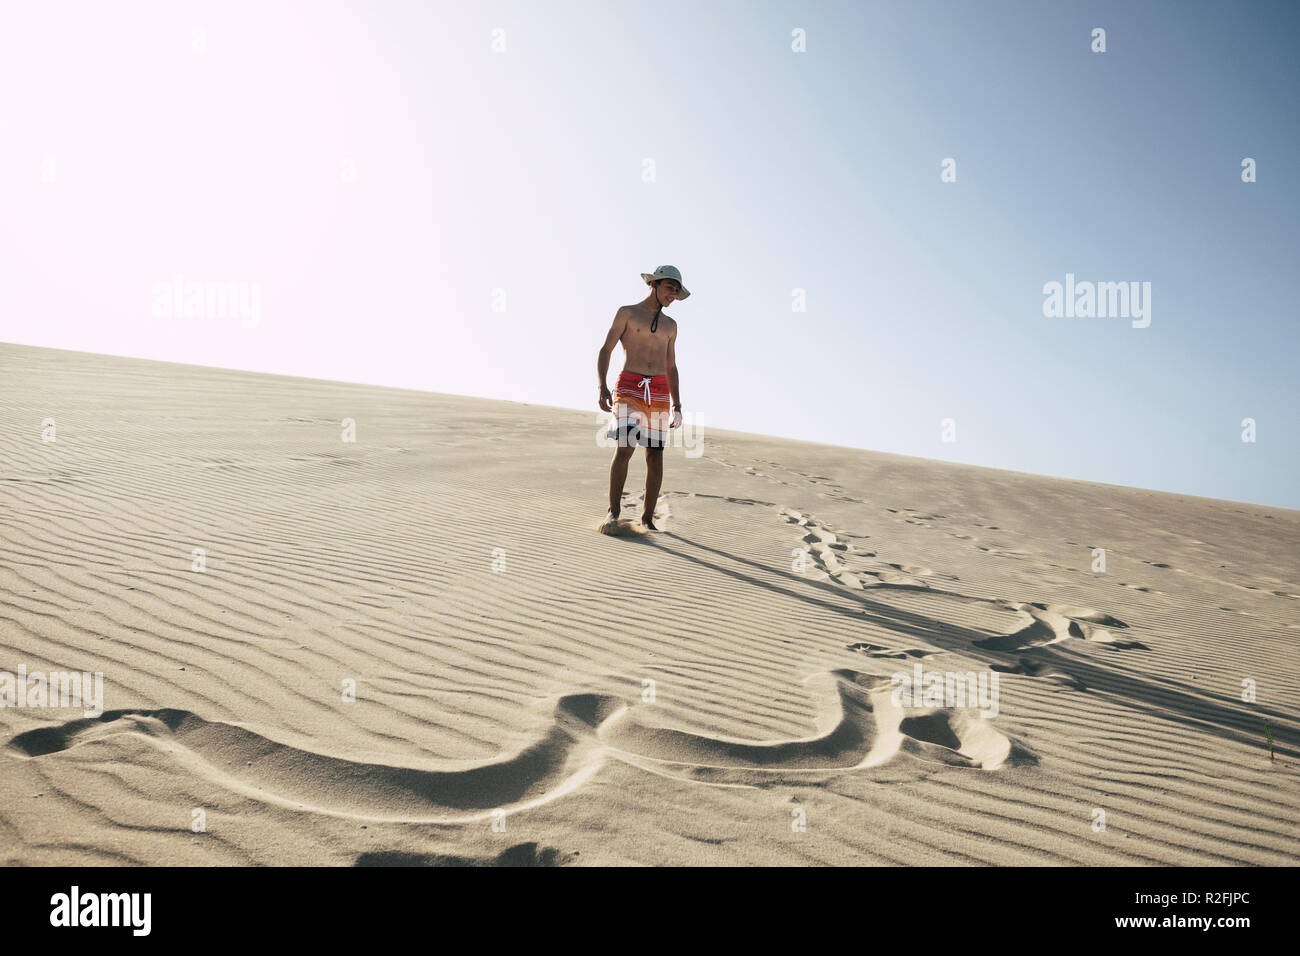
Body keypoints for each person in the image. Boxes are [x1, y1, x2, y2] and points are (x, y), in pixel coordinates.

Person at [597, 265, 688, 530]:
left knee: (655, 455)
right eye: (670, 288)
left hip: (659, 391)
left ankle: (647, 519)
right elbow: (607, 348)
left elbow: (671, 366)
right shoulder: (627, 313)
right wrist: (601, 385)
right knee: (625, 447)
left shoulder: (671, 326)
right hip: (629, 386)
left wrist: (678, 404)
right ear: (655, 285)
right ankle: (613, 513)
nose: (673, 294)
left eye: (676, 291)